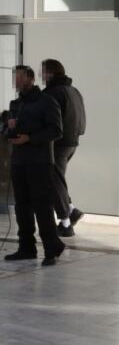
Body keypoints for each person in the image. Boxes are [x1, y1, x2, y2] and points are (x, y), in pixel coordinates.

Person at [3, 65, 65, 266]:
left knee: (42, 205)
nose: (16, 81)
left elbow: (56, 130)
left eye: (20, 77)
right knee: (22, 206)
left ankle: (51, 248)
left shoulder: (46, 101)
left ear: (30, 78)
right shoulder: (15, 104)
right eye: (14, 77)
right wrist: (8, 129)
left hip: (39, 162)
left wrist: (30, 138)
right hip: (19, 161)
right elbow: (6, 131)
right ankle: (26, 248)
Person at [41, 58, 86, 237]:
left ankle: (65, 223)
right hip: (72, 142)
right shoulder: (73, 90)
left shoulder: (52, 93)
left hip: (57, 144)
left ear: (50, 73)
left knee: (53, 181)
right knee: (57, 179)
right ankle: (72, 210)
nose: (41, 76)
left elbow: (46, 119)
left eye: (43, 72)